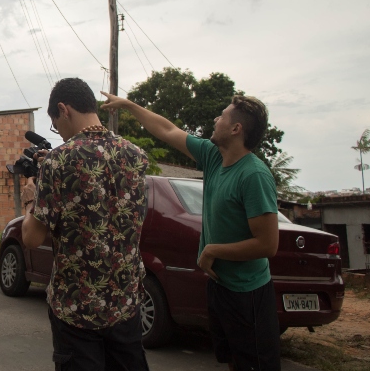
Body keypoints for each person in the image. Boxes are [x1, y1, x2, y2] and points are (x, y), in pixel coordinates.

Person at [100, 92, 281, 370]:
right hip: (221, 287)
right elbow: (167, 130)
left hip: (249, 295)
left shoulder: (253, 175)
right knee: (232, 360)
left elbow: (267, 244)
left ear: (236, 129)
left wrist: (212, 251)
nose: (216, 119)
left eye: (222, 116)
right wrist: (128, 104)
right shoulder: (213, 156)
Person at [21, 78, 150, 371]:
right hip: (125, 303)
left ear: (63, 110)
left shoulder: (58, 161)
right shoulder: (135, 155)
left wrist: (30, 199)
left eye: (56, 125)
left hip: (76, 310)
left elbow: (31, 238)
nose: (59, 132)